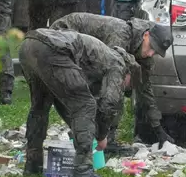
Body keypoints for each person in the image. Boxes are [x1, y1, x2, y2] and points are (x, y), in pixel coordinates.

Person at [20, 28, 138, 177]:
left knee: (40, 105)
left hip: (30, 44)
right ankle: (83, 168)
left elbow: (64, 100)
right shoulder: (119, 63)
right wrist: (101, 136)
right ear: (128, 74)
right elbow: (109, 103)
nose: (124, 87)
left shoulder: (100, 57)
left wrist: (80, 127)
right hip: (53, 48)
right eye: (127, 85)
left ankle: (33, 164)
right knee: (86, 104)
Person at [49, 13, 175, 152]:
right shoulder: (120, 34)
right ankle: (91, 135)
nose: (151, 53)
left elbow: (144, 89)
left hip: (85, 51)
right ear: (145, 35)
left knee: (114, 88)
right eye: (151, 47)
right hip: (61, 37)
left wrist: (158, 129)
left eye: (156, 52)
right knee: (109, 90)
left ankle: (99, 136)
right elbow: (109, 75)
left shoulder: (144, 55)